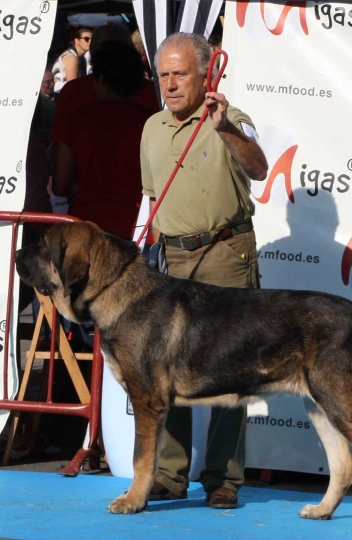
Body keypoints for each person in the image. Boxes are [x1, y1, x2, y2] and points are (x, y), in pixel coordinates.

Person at [141, 32, 268, 509]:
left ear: (206, 75)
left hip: (224, 254)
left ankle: (223, 478)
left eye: (181, 74)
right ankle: (169, 475)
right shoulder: (152, 126)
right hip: (169, 260)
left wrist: (225, 129)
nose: (170, 84)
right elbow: (151, 198)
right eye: (164, 75)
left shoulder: (230, 119)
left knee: (230, 366)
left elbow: (259, 167)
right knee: (163, 367)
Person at [52, 41, 155, 239]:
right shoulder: (151, 121)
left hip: (88, 228)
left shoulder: (78, 119)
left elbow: (60, 184)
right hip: (138, 228)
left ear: (99, 80)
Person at [52, 25, 92, 95]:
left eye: (92, 39)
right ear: (77, 41)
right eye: (86, 39)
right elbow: (72, 85)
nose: (90, 42)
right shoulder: (71, 57)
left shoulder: (82, 58)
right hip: (62, 95)